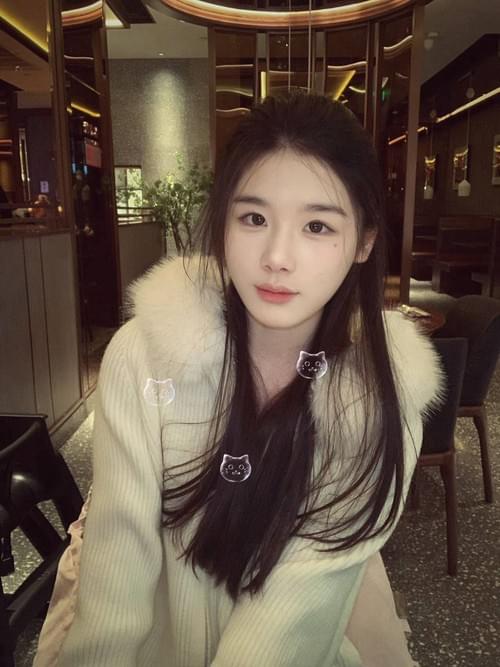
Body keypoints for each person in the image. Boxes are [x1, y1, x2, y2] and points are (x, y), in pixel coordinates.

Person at [33, 91, 444, 666]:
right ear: (223, 223)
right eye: (254, 218)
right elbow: (116, 573)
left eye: (317, 226)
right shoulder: (143, 357)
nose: (277, 256)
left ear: (364, 242)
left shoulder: (378, 403)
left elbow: (288, 623)